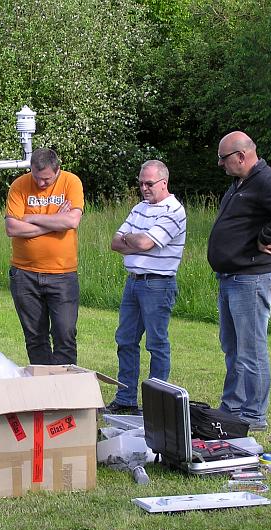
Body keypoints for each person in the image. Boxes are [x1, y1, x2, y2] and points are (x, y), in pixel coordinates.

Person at [208, 131, 271, 431]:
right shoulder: (240, 182)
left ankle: (253, 415)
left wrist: (267, 236)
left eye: (223, 158)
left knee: (251, 350)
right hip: (231, 277)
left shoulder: (265, 180)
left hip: (252, 279)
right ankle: (232, 407)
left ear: (241, 156)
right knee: (233, 348)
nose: (220, 164)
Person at [105, 160, 187, 415]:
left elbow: (143, 243)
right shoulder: (139, 207)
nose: (144, 188)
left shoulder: (174, 210)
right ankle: (126, 399)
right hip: (133, 281)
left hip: (158, 284)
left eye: (149, 183)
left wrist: (132, 239)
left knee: (156, 343)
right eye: (141, 183)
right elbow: (115, 243)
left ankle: (156, 404)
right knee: (125, 340)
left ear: (164, 182)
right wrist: (137, 241)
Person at [5, 147, 84, 365]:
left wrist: (30, 218)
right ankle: (41, 381)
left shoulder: (71, 182)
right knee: (35, 337)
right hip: (24, 274)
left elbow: (71, 221)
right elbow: (12, 228)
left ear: (57, 170)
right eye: (36, 177)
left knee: (65, 334)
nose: (40, 183)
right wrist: (54, 222)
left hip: (62, 274)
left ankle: (64, 382)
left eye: (46, 179)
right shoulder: (19, 185)